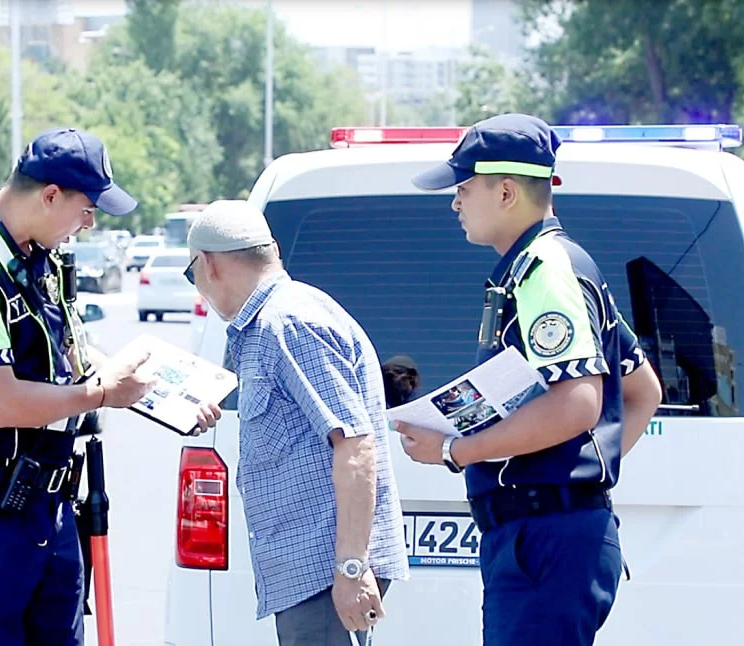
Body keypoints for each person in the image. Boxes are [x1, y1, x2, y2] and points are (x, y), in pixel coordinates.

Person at [0, 127, 220, 646]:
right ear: (50, 195)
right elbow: (0, 401)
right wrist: (103, 395)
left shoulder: (41, 254)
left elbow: (71, 355)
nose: (90, 222)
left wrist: (155, 388)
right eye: (87, 209)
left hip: (50, 496)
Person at [395, 113, 663, 646]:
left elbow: (579, 404)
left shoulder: (546, 270)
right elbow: (643, 390)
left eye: (464, 187)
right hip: (549, 534)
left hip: (544, 538)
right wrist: (581, 469)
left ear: (506, 192)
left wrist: (457, 451)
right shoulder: (551, 265)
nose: (454, 201)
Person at [184, 200, 409, 646]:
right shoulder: (274, 321)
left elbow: (355, 444)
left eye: (192, 275)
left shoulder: (287, 323)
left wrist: (351, 568)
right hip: (308, 571)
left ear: (208, 265)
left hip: (324, 572)